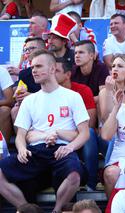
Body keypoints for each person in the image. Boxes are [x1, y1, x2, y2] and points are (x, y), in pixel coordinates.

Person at [0, 49, 89, 212]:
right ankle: (26, 209)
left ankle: (57, 210)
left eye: (39, 66)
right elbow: (21, 135)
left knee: (75, 175)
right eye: (33, 67)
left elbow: (85, 133)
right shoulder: (29, 100)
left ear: (52, 69)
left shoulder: (72, 96)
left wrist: (69, 147)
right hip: (36, 151)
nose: (34, 70)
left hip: (62, 149)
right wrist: (20, 149)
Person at [55, 58, 99, 191]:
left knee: (90, 133)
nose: (52, 74)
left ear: (68, 74)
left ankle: (91, 183)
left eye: (56, 70)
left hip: (79, 134)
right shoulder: (47, 94)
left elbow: (90, 122)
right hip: (57, 136)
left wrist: (72, 132)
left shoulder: (82, 90)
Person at [99, 54, 125, 123]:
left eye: (120, 66)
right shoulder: (104, 92)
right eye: (113, 66)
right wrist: (109, 91)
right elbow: (106, 118)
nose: (115, 69)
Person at [0, 67, 14, 146]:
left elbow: (10, 100)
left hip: (1, 107)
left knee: (5, 110)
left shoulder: (1, 71)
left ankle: (1, 151)